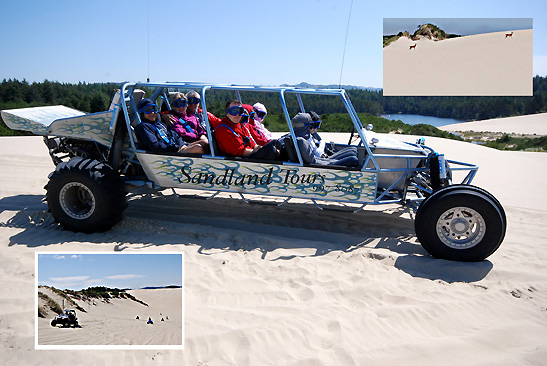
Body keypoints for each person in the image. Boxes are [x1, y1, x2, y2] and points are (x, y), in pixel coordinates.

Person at [214, 100, 280, 160]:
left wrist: (260, 148)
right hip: (239, 159)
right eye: (234, 111)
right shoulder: (223, 130)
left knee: (277, 143)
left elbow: (253, 144)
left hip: (248, 155)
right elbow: (240, 152)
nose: (237, 114)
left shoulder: (240, 126)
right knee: (270, 149)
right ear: (227, 113)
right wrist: (261, 150)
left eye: (240, 111)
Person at [134, 98, 205, 154]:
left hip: (175, 149)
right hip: (167, 153)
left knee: (204, 143)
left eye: (154, 109)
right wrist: (175, 147)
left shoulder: (160, 124)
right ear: (141, 112)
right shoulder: (144, 127)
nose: (152, 112)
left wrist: (181, 144)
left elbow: (175, 135)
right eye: (148, 110)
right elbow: (154, 146)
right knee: (198, 148)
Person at [291, 112, 359, 167]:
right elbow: (314, 161)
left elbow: (315, 159)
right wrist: (330, 161)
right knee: (353, 159)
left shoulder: (300, 137)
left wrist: (330, 160)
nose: (312, 127)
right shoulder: (302, 141)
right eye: (311, 125)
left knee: (353, 151)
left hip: (323, 162)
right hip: (323, 166)